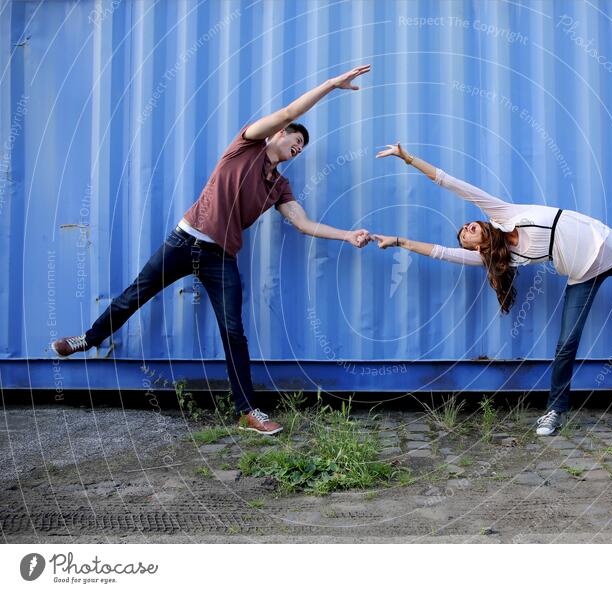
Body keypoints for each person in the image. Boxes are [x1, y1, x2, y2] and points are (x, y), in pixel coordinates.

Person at [51, 65, 374, 435]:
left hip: (221, 258)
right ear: (279, 135)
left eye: (302, 148)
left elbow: (303, 223)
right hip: (184, 240)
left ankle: (248, 411)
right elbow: (288, 113)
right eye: (295, 140)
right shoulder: (246, 146)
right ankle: (88, 339)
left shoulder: (279, 186)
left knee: (233, 332)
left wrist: (347, 235)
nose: (298, 148)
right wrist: (331, 85)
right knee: (135, 294)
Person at [371, 142, 612, 436]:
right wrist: (400, 241)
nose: (466, 231)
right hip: (582, 274)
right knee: (566, 343)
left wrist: (408, 158)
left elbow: (452, 183)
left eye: (467, 227)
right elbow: (439, 253)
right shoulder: (498, 259)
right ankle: (555, 411)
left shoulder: (502, 212)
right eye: (464, 238)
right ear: (474, 249)